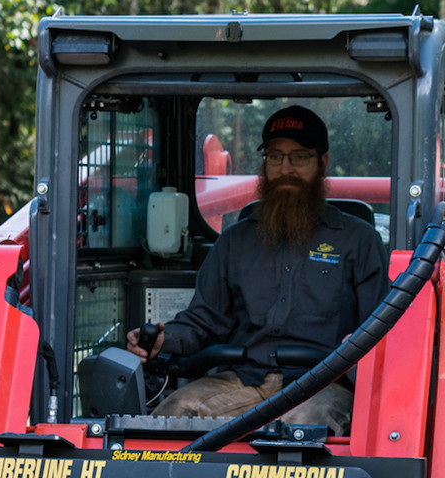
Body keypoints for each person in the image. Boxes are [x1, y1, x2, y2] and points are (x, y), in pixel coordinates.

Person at [127, 105, 387, 434]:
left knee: (302, 428)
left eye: (299, 157)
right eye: (275, 157)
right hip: (242, 381)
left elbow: (381, 326)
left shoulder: (358, 241)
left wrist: (362, 345)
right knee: (172, 414)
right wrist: (163, 340)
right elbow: (203, 320)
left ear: (322, 161)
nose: (285, 168)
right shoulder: (235, 241)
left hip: (323, 384)